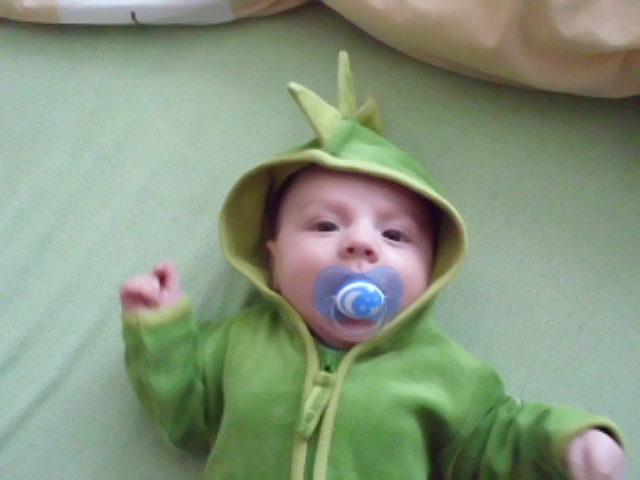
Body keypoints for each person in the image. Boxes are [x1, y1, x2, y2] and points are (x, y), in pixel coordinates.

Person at [120, 52, 626, 479]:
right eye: (325, 225)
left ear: (431, 272)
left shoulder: (445, 372)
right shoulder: (236, 344)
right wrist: (161, 331)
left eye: (395, 235)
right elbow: (184, 419)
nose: (361, 243)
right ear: (272, 259)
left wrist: (567, 444)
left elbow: (499, 439)